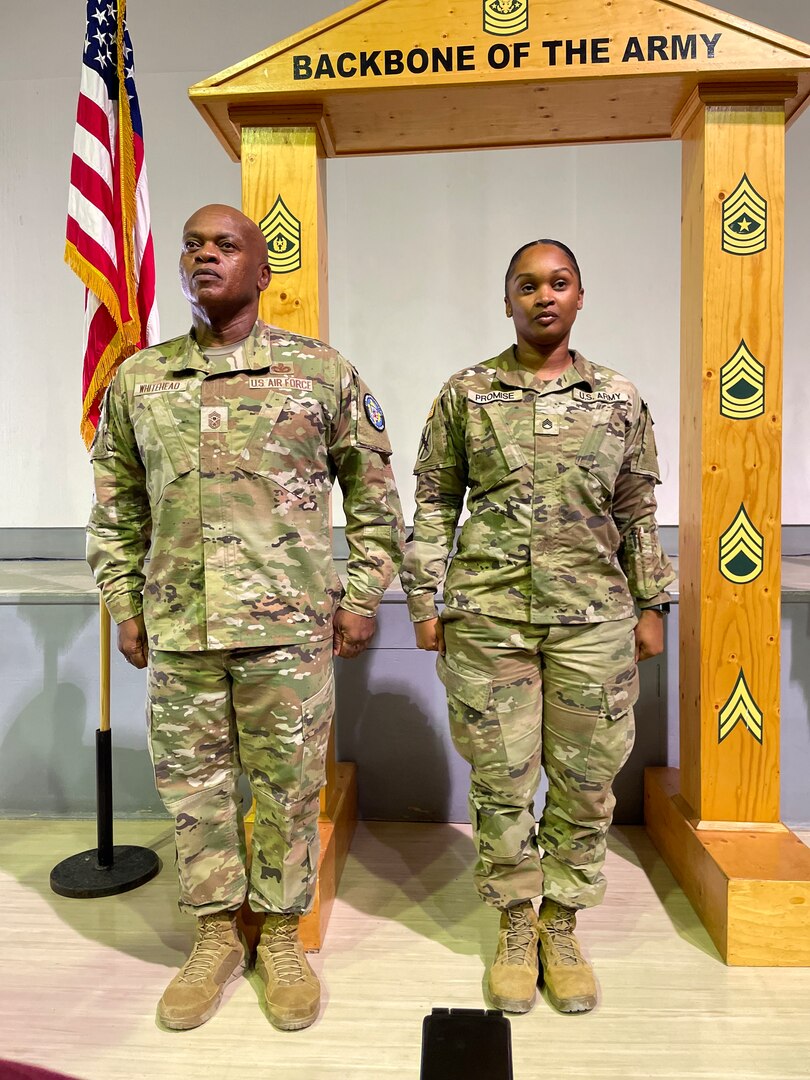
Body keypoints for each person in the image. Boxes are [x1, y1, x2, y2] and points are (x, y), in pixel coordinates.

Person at [87, 204, 404, 1032]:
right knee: (196, 791)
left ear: (262, 272)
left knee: (291, 790)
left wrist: (364, 595)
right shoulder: (139, 381)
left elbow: (374, 499)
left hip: (288, 635)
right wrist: (125, 601)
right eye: (193, 245)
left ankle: (281, 934)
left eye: (226, 246)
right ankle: (215, 931)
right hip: (182, 629)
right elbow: (116, 507)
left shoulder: (319, 374)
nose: (204, 256)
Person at [401, 239, 674, 1016]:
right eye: (528, 285)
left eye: (559, 284)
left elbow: (637, 512)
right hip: (488, 619)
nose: (543, 296)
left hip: (594, 621)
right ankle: (517, 920)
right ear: (508, 300)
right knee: (500, 780)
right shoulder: (467, 393)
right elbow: (431, 501)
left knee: (588, 783)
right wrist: (425, 599)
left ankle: (563, 921)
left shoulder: (618, 396)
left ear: (581, 297)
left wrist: (652, 605)